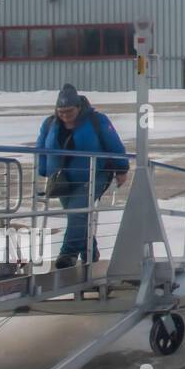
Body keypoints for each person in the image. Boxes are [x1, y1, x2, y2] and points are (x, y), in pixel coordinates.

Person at [35, 83, 130, 268]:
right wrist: (44, 170)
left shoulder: (97, 120)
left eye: (69, 111)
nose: (65, 116)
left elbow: (114, 144)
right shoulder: (50, 123)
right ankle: (90, 252)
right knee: (78, 216)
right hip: (61, 180)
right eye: (61, 111)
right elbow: (41, 148)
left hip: (94, 175)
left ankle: (67, 255)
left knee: (77, 213)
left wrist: (121, 169)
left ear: (79, 107)